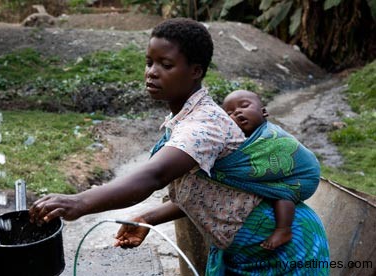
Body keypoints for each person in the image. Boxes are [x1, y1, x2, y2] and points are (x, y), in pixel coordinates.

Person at [29, 18, 329, 275]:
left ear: (196, 71)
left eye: (166, 64)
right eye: (149, 62)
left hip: (288, 252)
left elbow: (154, 176)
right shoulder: (182, 120)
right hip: (247, 252)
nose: (152, 72)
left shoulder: (205, 126)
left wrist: (79, 202)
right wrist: (146, 219)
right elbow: (213, 194)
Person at [219, 89, 320, 250]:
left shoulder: (270, 134)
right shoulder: (241, 139)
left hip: (301, 177)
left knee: (283, 194)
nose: (237, 112)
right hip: (286, 176)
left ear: (263, 111)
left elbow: (252, 164)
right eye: (229, 113)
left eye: (244, 106)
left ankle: (283, 229)